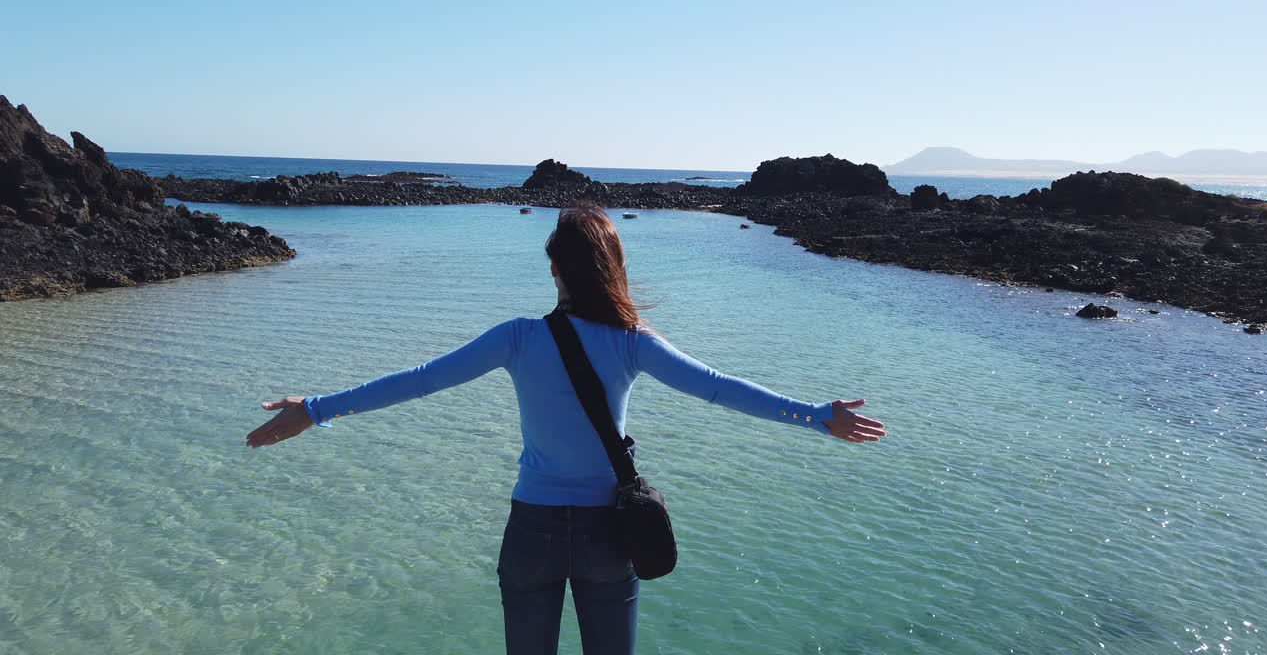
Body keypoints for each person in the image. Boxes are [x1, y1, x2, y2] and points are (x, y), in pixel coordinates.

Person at [247, 203, 886, 655]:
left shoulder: (518, 338)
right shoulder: (635, 342)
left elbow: (419, 379)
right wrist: (818, 417)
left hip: (534, 532)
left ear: (555, 271)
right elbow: (720, 387)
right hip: (611, 534)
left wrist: (318, 408)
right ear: (614, 270)